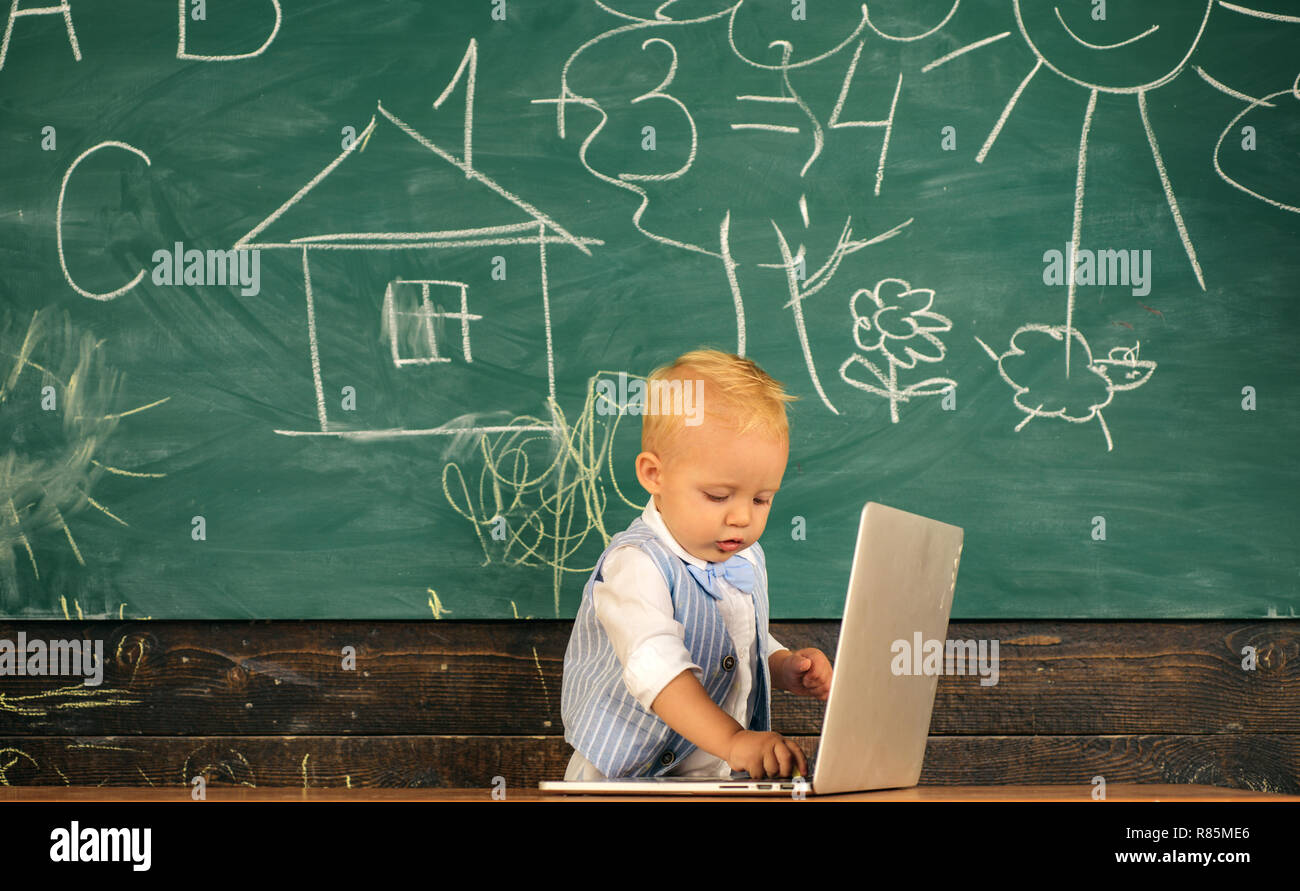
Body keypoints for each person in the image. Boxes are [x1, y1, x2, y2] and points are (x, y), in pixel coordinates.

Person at [561, 348, 833, 780]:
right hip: (626, 782)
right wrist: (733, 740)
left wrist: (782, 666)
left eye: (762, 499)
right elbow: (658, 667)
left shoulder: (743, 555)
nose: (742, 517)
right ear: (655, 475)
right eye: (718, 496)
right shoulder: (636, 564)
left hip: (714, 778)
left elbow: (738, 637)